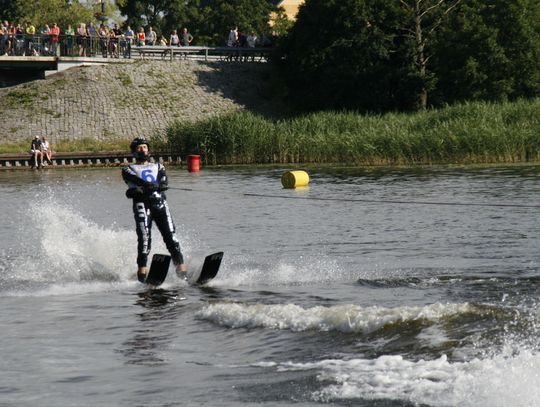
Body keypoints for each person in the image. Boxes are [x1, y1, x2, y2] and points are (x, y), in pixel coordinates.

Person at [122, 137, 188, 282]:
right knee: (145, 240)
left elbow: (164, 179)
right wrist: (146, 185)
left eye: (144, 147)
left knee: (171, 238)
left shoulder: (159, 166)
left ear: (148, 150)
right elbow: (135, 180)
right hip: (142, 206)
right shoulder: (128, 169)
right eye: (139, 147)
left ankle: (182, 273)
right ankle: (142, 274)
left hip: (160, 204)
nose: (142, 149)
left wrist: (162, 184)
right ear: (134, 152)